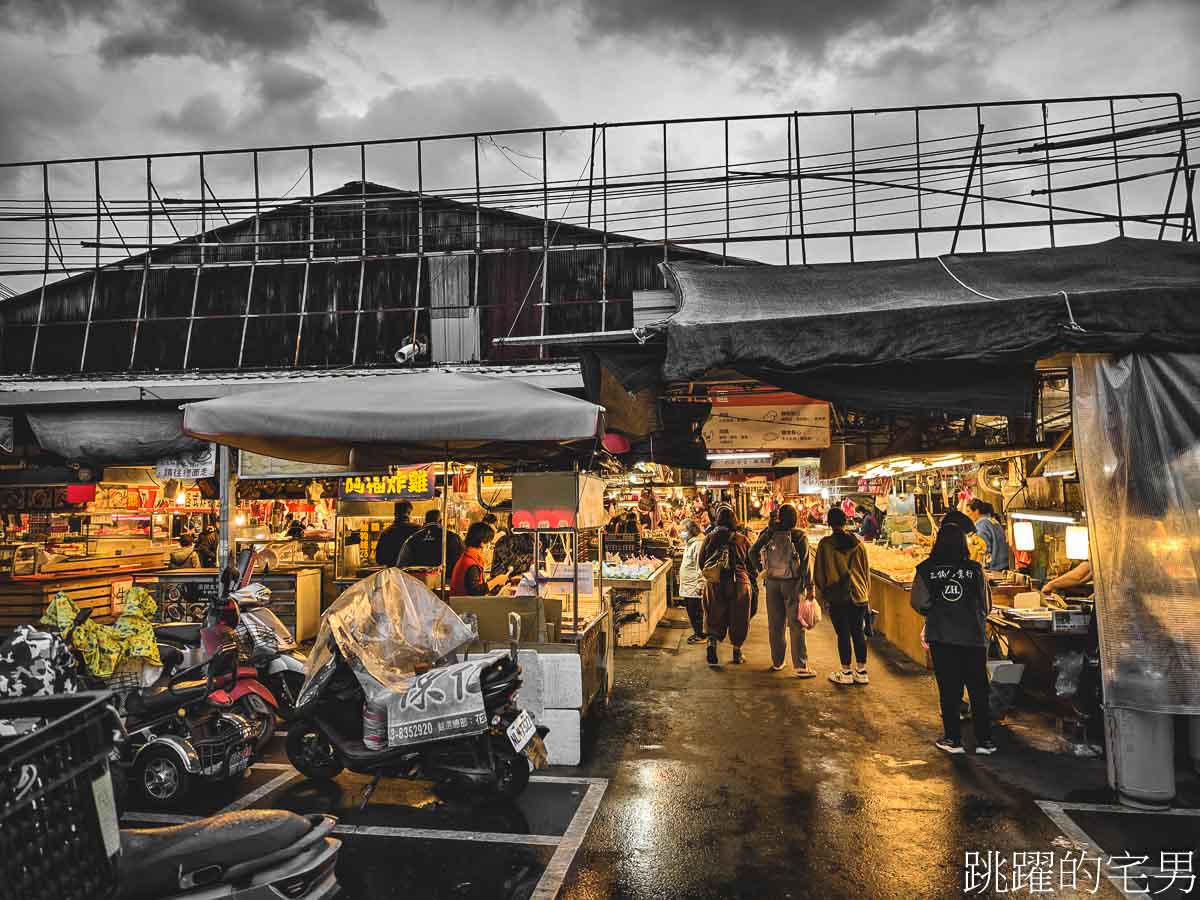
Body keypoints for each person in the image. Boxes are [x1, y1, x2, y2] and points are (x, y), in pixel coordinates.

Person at [910, 523, 996, 755]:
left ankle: (953, 739)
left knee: (949, 688)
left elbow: (919, 602)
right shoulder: (975, 569)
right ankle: (985, 741)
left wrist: (939, 610)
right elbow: (986, 605)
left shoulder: (926, 569)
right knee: (978, 689)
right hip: (973, 638)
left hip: (942, 636)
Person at [751, 504, 816, 677]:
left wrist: (761, 570)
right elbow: (805, 564)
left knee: (775, 624)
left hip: (772, 582)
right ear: (794, 518)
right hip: (792, 583)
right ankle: (801, 666)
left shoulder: (769, 533)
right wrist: (809, 586)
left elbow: (752, 552)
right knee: (795, 624)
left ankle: (778, 662)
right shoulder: (799, 535)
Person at [813, 507, 871, 685]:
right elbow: (866, 571)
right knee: (858, 632)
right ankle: (861, 671)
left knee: (843, 633)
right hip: (859, 595)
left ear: (829, 523)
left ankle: (845, 671)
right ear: (846, 521)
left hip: (838, 596)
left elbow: (819, 573)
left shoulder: (826, 545)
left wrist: (821, 595)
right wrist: (866, 594)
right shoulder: (859, 544)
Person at [699, 506, 753, 666]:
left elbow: (701, 562)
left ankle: (712, 644)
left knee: (713, 614)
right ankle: (737, 652)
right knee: (740, 617)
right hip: (739, 583)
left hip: (715, 581)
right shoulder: (742, 539)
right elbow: (752, 563)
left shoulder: (710, 537)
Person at [449, 523, 514, 595]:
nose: (489, 546)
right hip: (466, 605)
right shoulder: (471, 563)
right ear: (482, 543)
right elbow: (476, 591)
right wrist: (496, 581)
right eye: (489, 542)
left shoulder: (467, 556)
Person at [397, 509, 464, 571]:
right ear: (440, 521)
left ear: (425, 521)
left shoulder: (413, 538)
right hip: (446, 579)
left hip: (418, 580)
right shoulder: (452, 537)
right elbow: (462, 559)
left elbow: (402, 564)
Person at [677, 520, 706, 644]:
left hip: (694, 586)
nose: (681, 533)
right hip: (688, 586)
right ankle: (697, 633)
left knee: (696, 612)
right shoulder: (690, 543)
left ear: (691, 531)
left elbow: (700, 567)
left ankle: (700, 635)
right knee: (691, 611)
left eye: (683, 530)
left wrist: (700, 584)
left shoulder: (698, 545)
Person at [967, 500, 1010, 572]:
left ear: (976, 511)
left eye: (968, 511)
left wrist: (982, 569)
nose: (967, 515)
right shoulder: (993, 521)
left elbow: (983, 550)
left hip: (993, 568)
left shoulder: (981, 525)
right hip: (1004, 565)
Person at [374, 501, 421, 567]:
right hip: (411, 573)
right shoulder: (416, 529)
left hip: (392, 574)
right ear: (409, 513)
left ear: (395, 514)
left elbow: (379, 559)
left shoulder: (386, 532)